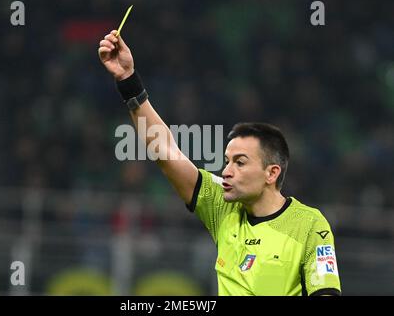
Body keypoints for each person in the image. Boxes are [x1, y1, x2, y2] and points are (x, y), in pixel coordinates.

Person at [98, 30, 341, 296]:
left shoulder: (309, 225)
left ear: (271, 173)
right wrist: (128, 81)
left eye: (240, 162)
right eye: (227, 161)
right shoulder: (223, 207)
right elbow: (166, 153)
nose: (226, 171)